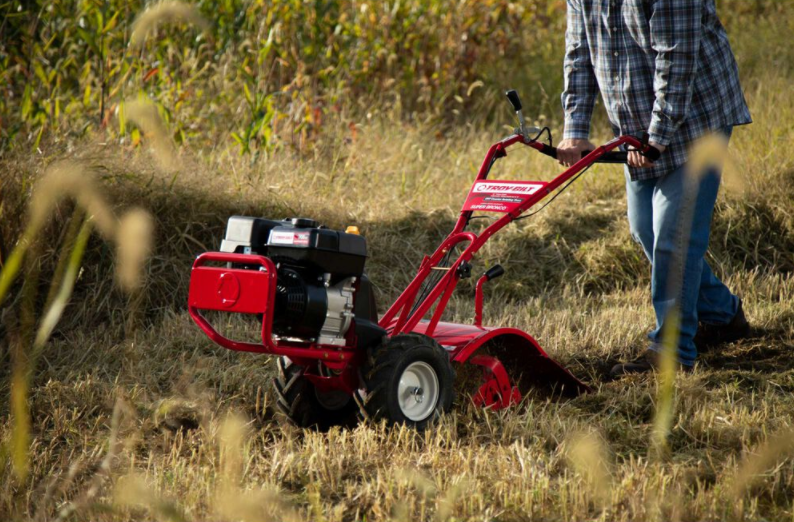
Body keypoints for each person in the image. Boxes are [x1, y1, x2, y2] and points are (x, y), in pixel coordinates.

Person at [556, 0, 752, 376]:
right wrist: (575, 129)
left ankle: (673, 352)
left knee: (674, 236)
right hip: (637, 125)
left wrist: (658, 137)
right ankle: (723, 315)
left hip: (696, 115)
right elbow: (579, 51)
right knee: (644, 228)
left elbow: (677, 57)